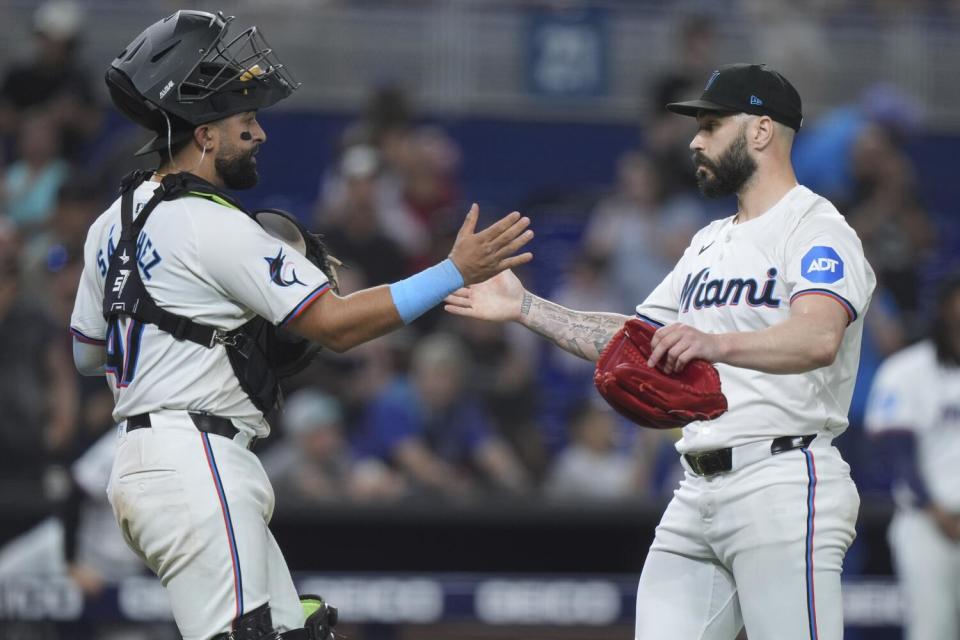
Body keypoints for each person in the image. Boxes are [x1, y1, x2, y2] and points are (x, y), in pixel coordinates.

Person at [68, 10, 532, 640]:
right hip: (195, 460)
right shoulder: (212, 222)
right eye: (245, 122)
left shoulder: (110, 222)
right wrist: (454, 269)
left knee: (296, 633)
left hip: (148, 463)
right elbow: (336, 326)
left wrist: (195, 332)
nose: (258, 134)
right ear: (204, 135)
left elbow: (89, 356)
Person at [446, 63, 876, 639]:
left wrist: (713, 341)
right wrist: (526, 309)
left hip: (784, 480)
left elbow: (819, 336)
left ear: (761, 131)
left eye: (712, 124)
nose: (695, 140)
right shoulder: (708, 241)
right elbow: (636, 343)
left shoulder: (816, 229)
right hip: (696, 488)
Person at [864, 274, 960, 640]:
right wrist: (936, 512)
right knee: (933, 630)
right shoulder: (907, 370)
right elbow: (897, 456)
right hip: (928, 523)